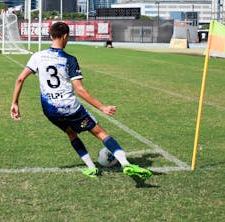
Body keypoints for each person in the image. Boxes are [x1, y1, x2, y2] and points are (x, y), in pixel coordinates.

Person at [11, 21, 152, 180]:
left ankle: (91, 168)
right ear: (65, 36)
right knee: (100, 132)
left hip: (49, 110)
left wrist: (15, 103)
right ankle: (125, 163)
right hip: (70, 108)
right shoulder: (69, 59)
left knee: (71, 133)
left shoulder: (37, 56)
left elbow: (20, 79)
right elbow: (80, 90)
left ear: (51, 35)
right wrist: (102, 107)